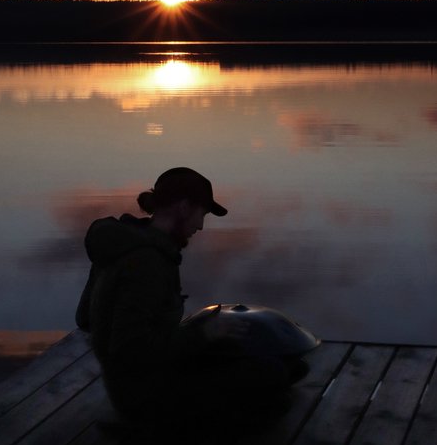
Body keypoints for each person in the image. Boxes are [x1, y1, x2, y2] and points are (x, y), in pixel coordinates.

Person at [76, 166, 304, 430]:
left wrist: (200, 335)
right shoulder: (146, 262)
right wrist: (203, 335)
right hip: (142, 396)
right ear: (184, 207)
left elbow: (84, 318)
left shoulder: (127, 243)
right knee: (273, 378)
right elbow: (129, 351)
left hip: (138, 379)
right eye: (201, 214)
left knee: (286, 366)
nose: (201, 226)